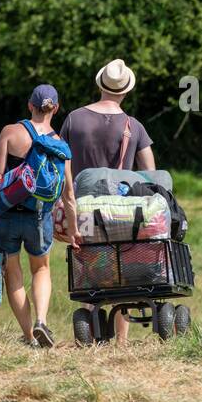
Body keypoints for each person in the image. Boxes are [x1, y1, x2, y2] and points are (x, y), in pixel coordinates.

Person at [0, 85, 78, 349]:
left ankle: (29, 337)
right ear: (56, 109)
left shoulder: (10, 132)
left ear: (30, 105)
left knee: (12, 273)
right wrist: (73, 230)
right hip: (39, 217)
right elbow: (69, 193)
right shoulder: (61, 146)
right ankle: (41, 320)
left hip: (4, 215)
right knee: (41, 268)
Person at [59, 59, 155, 347]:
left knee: (91, 262)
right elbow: (150, 174)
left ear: (100, 85)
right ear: (125, 91)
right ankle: (121, 341)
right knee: (121, 262)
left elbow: (60, 164)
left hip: (84, 209)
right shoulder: (134, 126)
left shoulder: (74, 119)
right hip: (122, 211)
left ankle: (90, 326)